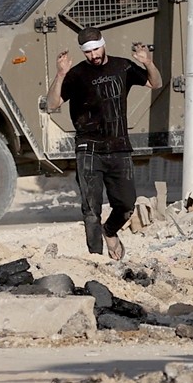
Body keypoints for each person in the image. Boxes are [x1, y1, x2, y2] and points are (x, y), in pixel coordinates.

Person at [46, 26, 162, 260]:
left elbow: (155, 83)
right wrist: (60, 75)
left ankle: (109, 231)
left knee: (126, 205)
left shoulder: (122, 67)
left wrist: (148, 63)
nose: (93, 56)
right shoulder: (77, 74)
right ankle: (96, 259)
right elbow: (52, 104)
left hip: (119, 147)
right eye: (88, 52)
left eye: (96, 49)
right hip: (88, 149)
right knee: (91, 210)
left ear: (103, 44)